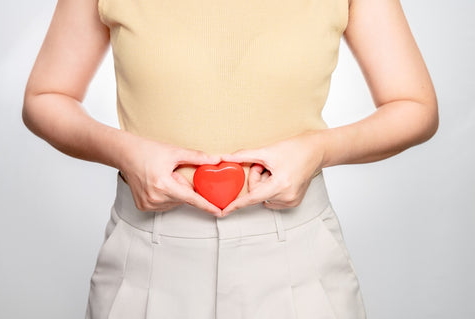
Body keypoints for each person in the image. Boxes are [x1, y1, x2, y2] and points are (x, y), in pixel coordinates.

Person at [22, 0, 438, 318]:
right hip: (149, 253)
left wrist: (319, 149)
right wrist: (125, 152)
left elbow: (415, 106)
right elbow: (45, 97)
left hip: (297, 253)